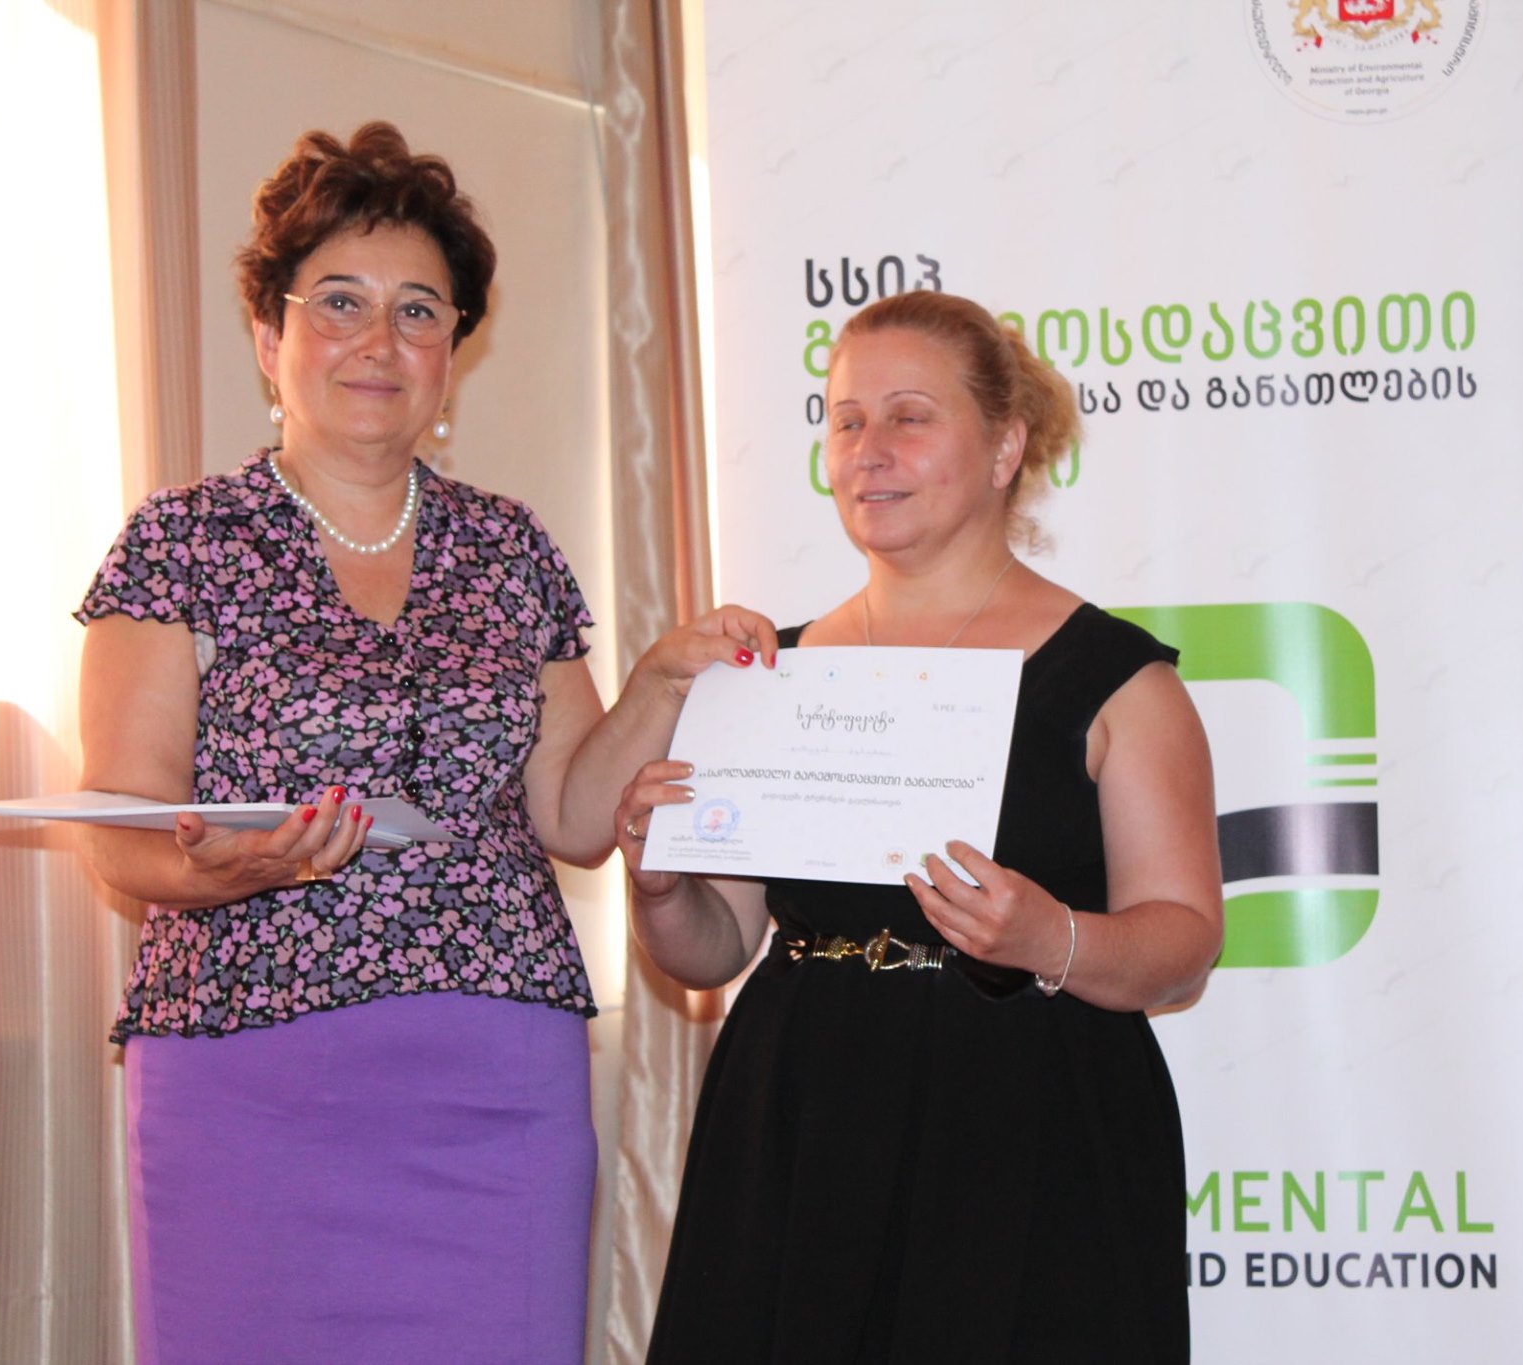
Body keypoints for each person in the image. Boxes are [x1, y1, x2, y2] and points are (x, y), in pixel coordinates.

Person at [74, 122, 774, 1363]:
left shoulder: (510, 547)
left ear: (453, 351)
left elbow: (569, 817)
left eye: (417, 312)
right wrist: (223, 871)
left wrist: (661, 681)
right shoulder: (181, 540)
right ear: (269, 336)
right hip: (244, 1071)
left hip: (493, 1079)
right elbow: (119, 824)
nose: (379, 341)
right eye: (339, 302)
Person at [617, 290, 1224, 1363]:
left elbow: (1182, 944)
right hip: (799, 1115)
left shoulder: (1117, 680)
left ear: (1004, 448)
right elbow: (716, 949)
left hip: (1029, 1123)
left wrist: (1050, 938)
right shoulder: (768, 674)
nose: (869, 450)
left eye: (909, 417)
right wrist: (661, 886)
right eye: (846, 420)